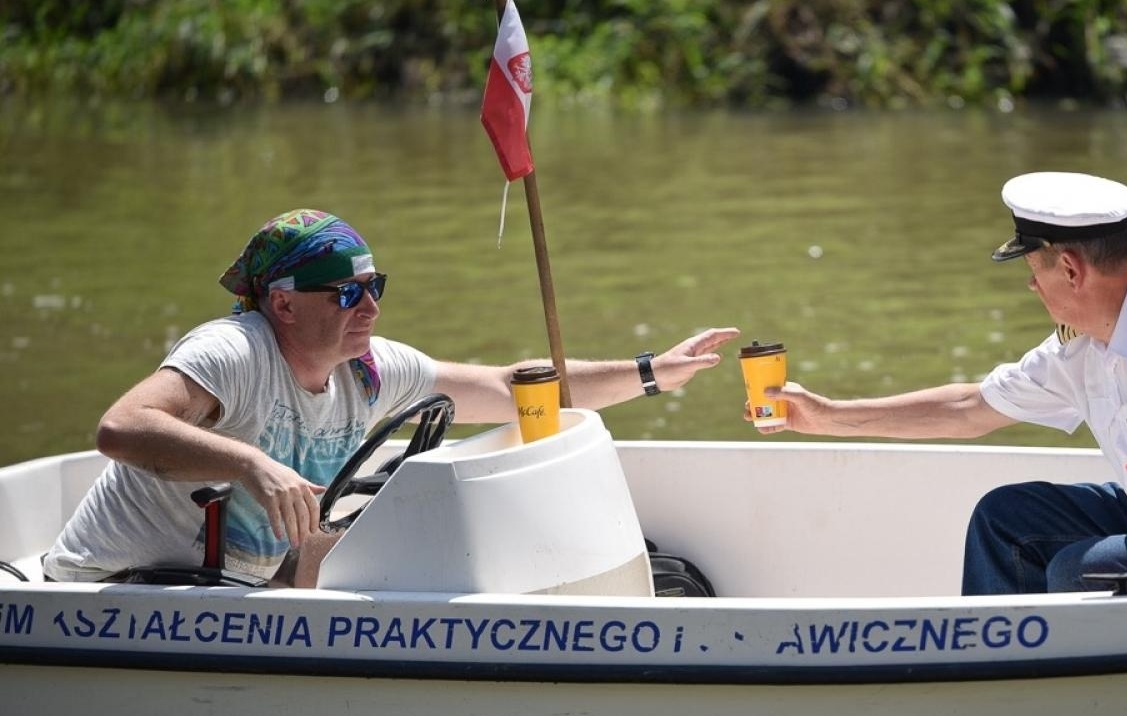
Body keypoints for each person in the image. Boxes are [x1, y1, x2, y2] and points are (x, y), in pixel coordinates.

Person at [45, 209, 738, 587]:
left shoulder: (371, 368)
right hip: (110, 590)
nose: (369, 306)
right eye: (347, 293)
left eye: (377, 287)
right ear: (282, 305)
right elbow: (121, 427)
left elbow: (507, 386)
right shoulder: (234, 351)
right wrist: (251, 463)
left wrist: (652, 372)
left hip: (234, 599)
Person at [764, 172, 1127, 595]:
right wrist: (826, 415)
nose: (1031, 288)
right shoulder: (1086, 339)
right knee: (1007, 517)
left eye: (1032, 269)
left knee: (1078, 569)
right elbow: (970, 408)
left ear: (1070, 268)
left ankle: (1048, 691)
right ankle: (995, 673)